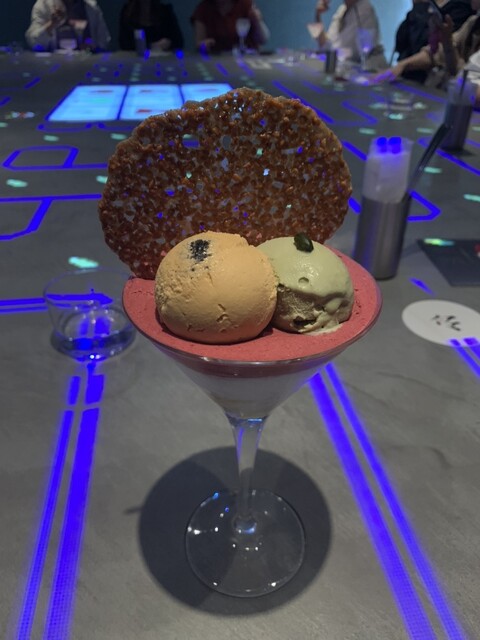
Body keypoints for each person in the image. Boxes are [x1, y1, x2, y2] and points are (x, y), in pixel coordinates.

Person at [371, 0, 480, 103]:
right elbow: (436, 54)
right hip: (450, 97)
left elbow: (470, 86)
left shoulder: (460, 8)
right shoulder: (473, 22)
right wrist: (402, 65)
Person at [394, 0, 473, 83]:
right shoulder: (472, 21)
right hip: (409, 72)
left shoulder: (462, 8)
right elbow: (401, 42)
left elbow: (430, 48)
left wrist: (420, 9)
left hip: (431, 77)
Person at [313, 0, 387, 68]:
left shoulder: (364, 9)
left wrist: (328, 54)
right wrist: (318, 16)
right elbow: (325, 46)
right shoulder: (342, 9)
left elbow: (344, 52)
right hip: (347, 69)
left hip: (371, 70)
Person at [25, 0, 111, 51]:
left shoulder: (91, 7)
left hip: (85, 64)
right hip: (53, 65)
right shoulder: (43, 5)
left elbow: (104, 40)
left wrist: (92, 47)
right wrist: (51, 24)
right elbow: (34, 43)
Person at [191, 0, 270, 53]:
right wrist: (203, 45)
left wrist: (257, 21)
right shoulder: (203, 8)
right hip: (217, 60)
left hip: (247, 58)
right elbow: (199, 43)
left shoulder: (245, 3)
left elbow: (263, 39)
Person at [119, 0, 184, 52]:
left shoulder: (165, 11)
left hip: (162, 59)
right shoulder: (128, 12)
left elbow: (178, 41)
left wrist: (168, 43)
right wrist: (151, 46)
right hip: (134, 59)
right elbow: (124, 43)